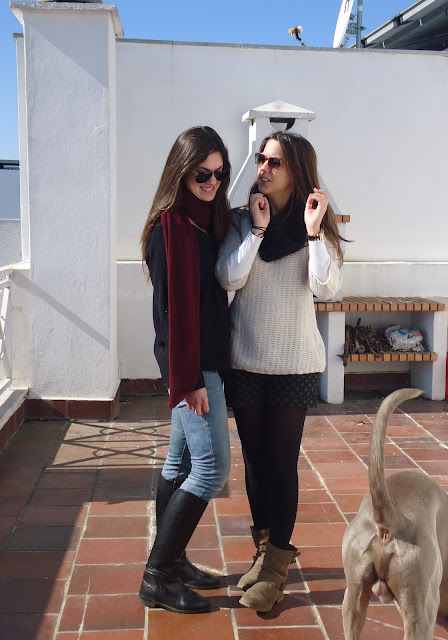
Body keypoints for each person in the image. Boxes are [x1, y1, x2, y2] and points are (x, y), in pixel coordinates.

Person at [215, 131, 344, 613]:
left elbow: (326, 288)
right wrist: (256, 231)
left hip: (295, 362)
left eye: (275, 163)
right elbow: (228, 277)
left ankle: (275, 570)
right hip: (245, 356)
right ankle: (264, 553)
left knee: (281, 462)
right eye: (261, 159)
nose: (263, 169)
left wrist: (312, 233)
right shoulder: (241, 218)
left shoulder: (318, 222)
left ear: (297, 171)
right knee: (254, 461)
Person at [139, 126, 232, 614]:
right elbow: (168, 315)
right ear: (181, 172)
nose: (212, 182)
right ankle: (157, 576)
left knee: (178, 465)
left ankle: (171, 565)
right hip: (193, 369)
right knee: (212, 469)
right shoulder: (168, 229)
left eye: (219, 173)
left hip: (203, 363)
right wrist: (190, 381)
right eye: (202, 174)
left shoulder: (203, 223)